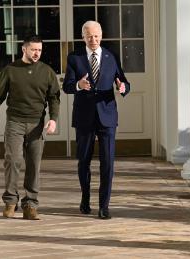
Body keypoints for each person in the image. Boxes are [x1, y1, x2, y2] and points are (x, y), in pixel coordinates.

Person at [0, 35, 60, 220]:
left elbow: (54, 98)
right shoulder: (10, 70)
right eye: (33, 49)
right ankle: (10, 202)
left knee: (34, 163)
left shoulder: (47, 72)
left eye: (40, 50)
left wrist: (53, 119)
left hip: (37, 124)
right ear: (24, 49)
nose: (37, 53)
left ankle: (30, 205)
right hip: (15, 123)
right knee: (13, 159)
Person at [62, 21, 130, 219]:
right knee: (84, 161)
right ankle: (85, 199)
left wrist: (123, 87)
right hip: (84, 117)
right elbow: (67, 86)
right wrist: (78, 85)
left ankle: (104, 206)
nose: (93, 40)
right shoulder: (75, 58)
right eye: (89, 36)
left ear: (102, 35)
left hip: (107, 116)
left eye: (97, 36)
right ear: (83, 36)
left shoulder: (111, 56)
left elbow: (123, 80)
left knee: (107, 162)